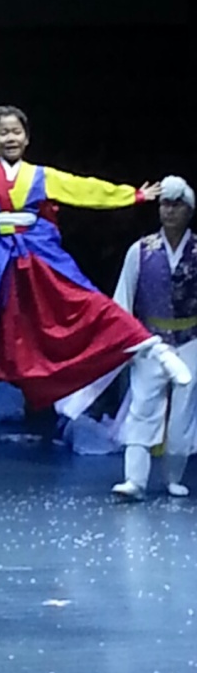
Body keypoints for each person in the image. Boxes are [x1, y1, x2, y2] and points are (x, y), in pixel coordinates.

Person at [0, 87, 192, 408]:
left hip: (36, 253)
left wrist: (131, 195)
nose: (10, 138)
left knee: (87, 300)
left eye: (16, 131)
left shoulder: (41, 176)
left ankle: (151, 346)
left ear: (26, 139)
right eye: (3, 133)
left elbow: (83, 188)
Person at [108, 175, 197, 499]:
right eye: (165, 204)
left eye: (177, 205)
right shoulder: (141, 250)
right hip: (150, 340)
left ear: (188, 210)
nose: (169, 211)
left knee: (183, 413)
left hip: (191, 339)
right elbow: (123, 299)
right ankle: (135, 480)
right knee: (143, 406)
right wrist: (126, 342)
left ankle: (173, 476)